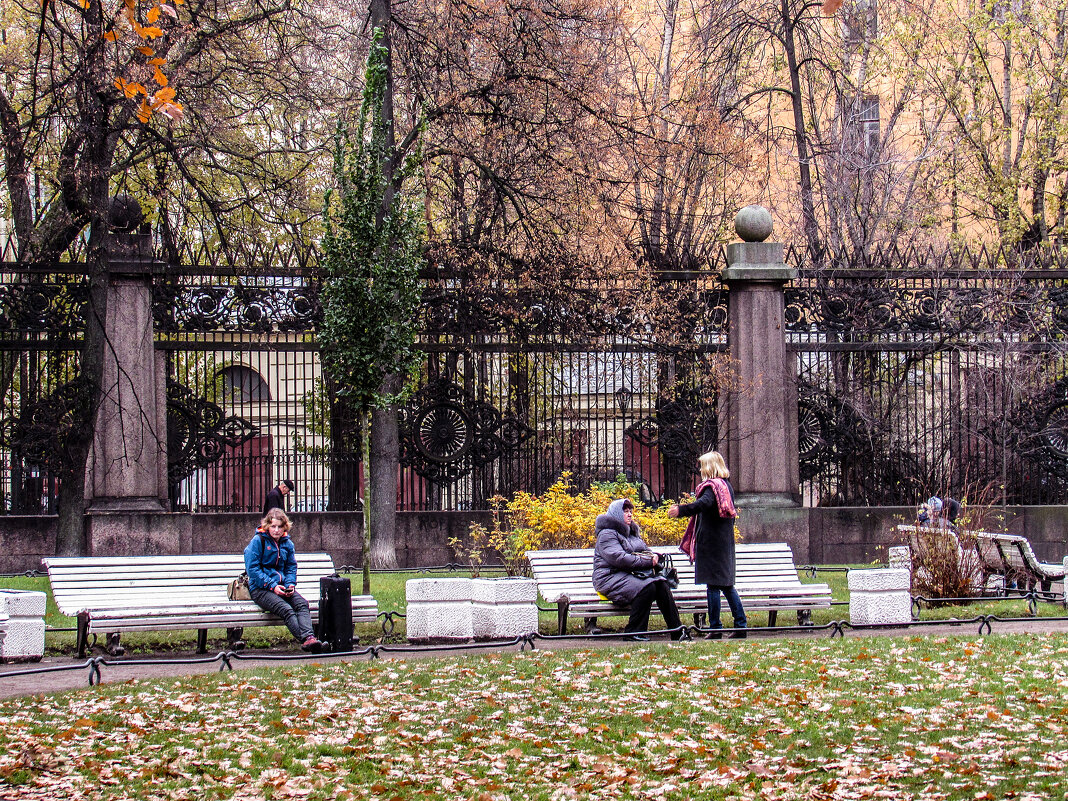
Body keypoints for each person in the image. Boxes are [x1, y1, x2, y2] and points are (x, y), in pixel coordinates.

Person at [668, 450, 748, 640]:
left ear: (710, 467)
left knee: (713, 587)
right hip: (723, 543)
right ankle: (740, 625)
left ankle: (716, 627)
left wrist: (680, 510)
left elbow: (702, 505)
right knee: (727, 586)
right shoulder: (726, 486)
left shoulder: (712, 487)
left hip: (712, 545)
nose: (701, 470)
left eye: (703, 466)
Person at [592, 498, 689, 641]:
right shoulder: (607, 534)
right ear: (616, 514)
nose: (630, 514)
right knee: (647, 587)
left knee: (661, 584)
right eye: (625, 512)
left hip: (628, 575)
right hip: (608, 577)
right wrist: (648, 561)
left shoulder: (631, 533)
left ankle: (677, 630)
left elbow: (645, 551)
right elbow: (619, 558)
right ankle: (633, 632)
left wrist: (656, 558)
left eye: (631, 511)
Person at [244, 508, 325, 652]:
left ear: (284, 527)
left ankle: (310, 638)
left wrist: (290, 584)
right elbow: (253, 570)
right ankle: (307, 639)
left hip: (282, 587)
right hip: (260, 589)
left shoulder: (287, 544)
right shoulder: (258, 541)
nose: (276, 530)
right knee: (286, 610)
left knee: (301, 604)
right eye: (273, 526)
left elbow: (291, 567)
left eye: (279, 527)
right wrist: (272, 586)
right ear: (267, 526)